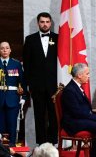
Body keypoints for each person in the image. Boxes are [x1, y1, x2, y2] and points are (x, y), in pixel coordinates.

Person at [22, 12, 58, 145]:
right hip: (37, 87)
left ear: (50, 23)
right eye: (42, 22)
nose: (45, 24)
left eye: (47, 22)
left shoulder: (58, 38)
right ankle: (41, 145)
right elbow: (27, 64)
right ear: (38, 23)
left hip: (54, 87)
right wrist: (30, 85)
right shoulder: (30, 39)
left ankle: (53, 145)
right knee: (39, 116)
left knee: (54, 116)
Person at [0, 41, 27, 147]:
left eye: (7, 48)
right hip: (0, 98)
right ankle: (3, 149)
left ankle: (11, 148)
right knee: (1, 127)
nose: (5, 50)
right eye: (2, 48)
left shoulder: (16, 64)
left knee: (12, 125)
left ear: (10, 50)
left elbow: (23, 82)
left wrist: (24, 97)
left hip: (13, 99)